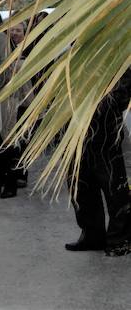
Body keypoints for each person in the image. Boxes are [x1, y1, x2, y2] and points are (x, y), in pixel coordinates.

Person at [65, 69, 131, 256]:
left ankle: (121, 237)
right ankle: (92, 233)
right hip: (75, 115)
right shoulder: (73, 44)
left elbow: (125, 79)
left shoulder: (116, 45)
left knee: (111, 178)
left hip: (105, 118)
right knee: (79, 178)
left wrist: (113, 102)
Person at [0, 21, 34, 198]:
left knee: (14, 144)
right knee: (6, 145)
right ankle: (5, 180)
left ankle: (12, 181)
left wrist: (31, 108)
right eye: (11, 30)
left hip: (17, 104)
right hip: (4, 104)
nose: (14, 33)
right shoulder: (2, 51)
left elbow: (27, 86)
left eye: (18, 30)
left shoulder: (27, 51)